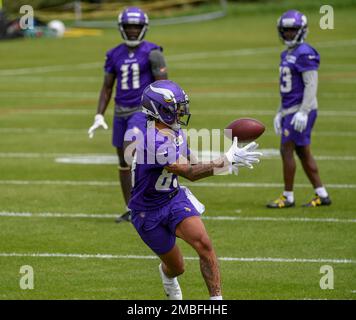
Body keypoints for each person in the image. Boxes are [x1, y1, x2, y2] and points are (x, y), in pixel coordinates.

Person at [128, 80, 262, 300]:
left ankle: (216, 301)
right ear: (158, 109)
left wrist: (227, 161)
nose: (181, 111)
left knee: (204, 245)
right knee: (177, 268)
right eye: (175, 107)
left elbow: (195, 163)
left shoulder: (174, 130)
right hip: (147, 211)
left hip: (172, 198)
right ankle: (167, 276)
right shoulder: (152, 141)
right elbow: (190, 173)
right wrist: (226, 161)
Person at [88, 7, 168, 221]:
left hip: (141, 111)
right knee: (123, 163)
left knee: (129, 153)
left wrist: (163, 114)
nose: (132, 30)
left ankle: (149, 202)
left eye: (136, 26)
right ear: (121, 28)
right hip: (120, 112)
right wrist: (99, 115)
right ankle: (132, 208)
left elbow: (163, 86)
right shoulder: (114, 54)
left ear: (144, 28)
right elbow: (107, 87)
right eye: (128, 26)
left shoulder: (153, 52)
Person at [267, 10, 331, 209]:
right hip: (290, 109)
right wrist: (280, 112)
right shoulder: (286, 53)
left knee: (286, 149)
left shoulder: (305, 52)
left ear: (302, 30)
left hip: (301, 110)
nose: (288, 34)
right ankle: (322, 194)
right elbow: (286, 89)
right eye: (285, 30)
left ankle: (288, 196)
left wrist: (304, 111)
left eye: (292, 30)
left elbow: (311, 85)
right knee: (303, 152)